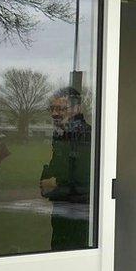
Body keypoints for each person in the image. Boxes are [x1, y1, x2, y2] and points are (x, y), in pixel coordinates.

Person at [40, 87, 92, 250]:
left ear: (77, 109)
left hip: (80, 212)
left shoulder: (87, 136)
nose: (55, 113)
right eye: (52, 109)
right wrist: (46, 181)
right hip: (62, 208)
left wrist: (56, 184)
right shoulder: (61, 135)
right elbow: (57, 167)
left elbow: (87, 178)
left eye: (61, 109)